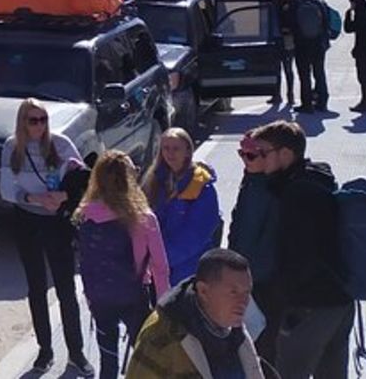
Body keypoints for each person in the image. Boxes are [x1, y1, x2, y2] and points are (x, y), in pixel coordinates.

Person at [248, 120, 353, 379]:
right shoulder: (317, 180)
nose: (259, 159)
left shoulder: (297, 194)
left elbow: (299, 257)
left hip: (310, 307)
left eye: (263, 153)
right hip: (340, 302)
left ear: (285, 154)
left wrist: (281, 302)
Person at [0, 99, 94, 376]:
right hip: (27, 219)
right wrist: (34, 198)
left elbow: (84, 179)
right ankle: (45, 349)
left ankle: (76, 352)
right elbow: (6, 189)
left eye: (43, 120)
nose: (39, 126)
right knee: (36, 287)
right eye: (33, 120)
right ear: (22, 122)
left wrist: (63, 196)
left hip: (56, 221)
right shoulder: (12, 147)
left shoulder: (60, 144)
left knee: (65, 288)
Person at [75, 150, 171, 378]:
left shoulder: (86, 213)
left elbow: (84, 260)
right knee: (145, 359)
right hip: (134, 297)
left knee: (108, 359)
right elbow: (160, 266)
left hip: (100, 297)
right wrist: (164, 305)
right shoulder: (143, 217)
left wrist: (90, 295)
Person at [127, 248, 264, 379]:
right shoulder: (162, 337)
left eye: (247, 292)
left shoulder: (236, 332)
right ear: (203, 291)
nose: (243, 302)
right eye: (233, 292)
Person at [142, 129, 222, 286]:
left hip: (190, 269)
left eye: (176, 148)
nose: (170, 153)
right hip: (158, 271)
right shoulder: (154, 181)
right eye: (166, 148)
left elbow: (196, 234)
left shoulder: (201, 186)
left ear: (187, 151)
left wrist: (162, 259)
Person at [228, 132, 281, 364]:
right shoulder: (251, 181)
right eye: (241, 154)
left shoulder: (270, 188)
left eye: (250, 156)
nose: (245, 160)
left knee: (263, 349)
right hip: (245, 277)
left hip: (261, 282)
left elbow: (265, 238)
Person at [285, 0, 330, 113]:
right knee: (319, 73)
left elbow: (290, 24)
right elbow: (326, 23)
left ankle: (307, 104)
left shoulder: (294, 5)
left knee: (304, 75)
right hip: (318, 44)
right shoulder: (319, 4)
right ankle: (322, 102)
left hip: (302, 45)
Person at [270, 0, 295, 106]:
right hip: (288, 42)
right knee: (288, 69)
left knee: (277, 69)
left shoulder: (275, 11)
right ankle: (290, 94)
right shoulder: (290, 9)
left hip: (277, 42)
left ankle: (277, 94)